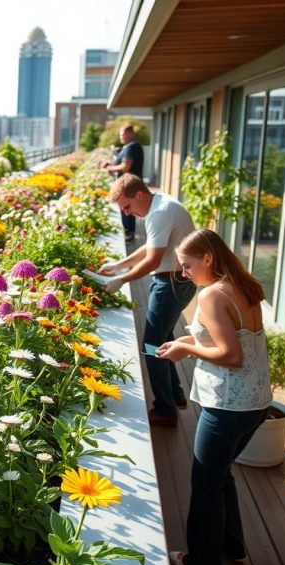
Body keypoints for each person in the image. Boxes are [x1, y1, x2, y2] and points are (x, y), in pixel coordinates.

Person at [155, 229, 272, 565]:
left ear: (207, 258)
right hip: (256, 403)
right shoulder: (244, 285)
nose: (183, 273)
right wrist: (188, 339)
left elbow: (231, 355)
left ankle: (202, 562)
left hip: (227, 407)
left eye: (187, 265)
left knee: (206, 483)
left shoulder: (211, 295)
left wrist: (186, 349)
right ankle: (232, 546)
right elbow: (234, 338)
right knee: (222, 475)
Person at [97, 173, 196, 426]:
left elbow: (152, 260)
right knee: (163, 337)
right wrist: (119, 265)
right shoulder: (161, 203)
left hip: (172, 282)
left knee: (152, 345)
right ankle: (175, 394)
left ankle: (165, 409)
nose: (127, 214)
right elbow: (152, 248)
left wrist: (121, 280)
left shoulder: (159, 213)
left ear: (139, 194)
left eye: (127, 206)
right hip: (176, 281)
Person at [99, 124, 144, 242]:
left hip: (127, 185)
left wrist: (110, 169)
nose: (121, 137)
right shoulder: (131, 146)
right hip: (130, 184)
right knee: (128, 208)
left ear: (130, 134)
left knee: (127, 208)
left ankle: (129, 234)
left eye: (122, 134)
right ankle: (129, 233)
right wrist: (110, 163)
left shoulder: (131, 147)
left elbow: (125, 166)